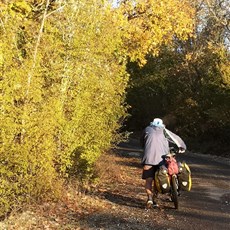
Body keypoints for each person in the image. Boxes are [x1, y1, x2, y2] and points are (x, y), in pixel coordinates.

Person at [140, 118, 186, 209]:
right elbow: (177, 140)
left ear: (152, 124)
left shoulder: (147, 129)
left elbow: (142, 142)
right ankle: (156, 198)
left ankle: (149, 199)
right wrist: (182, 148)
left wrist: (146, 149)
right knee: (161, 177)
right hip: (161, 160)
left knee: (149, 180)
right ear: (162, 125)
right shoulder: (165, 131)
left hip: (148, 159)